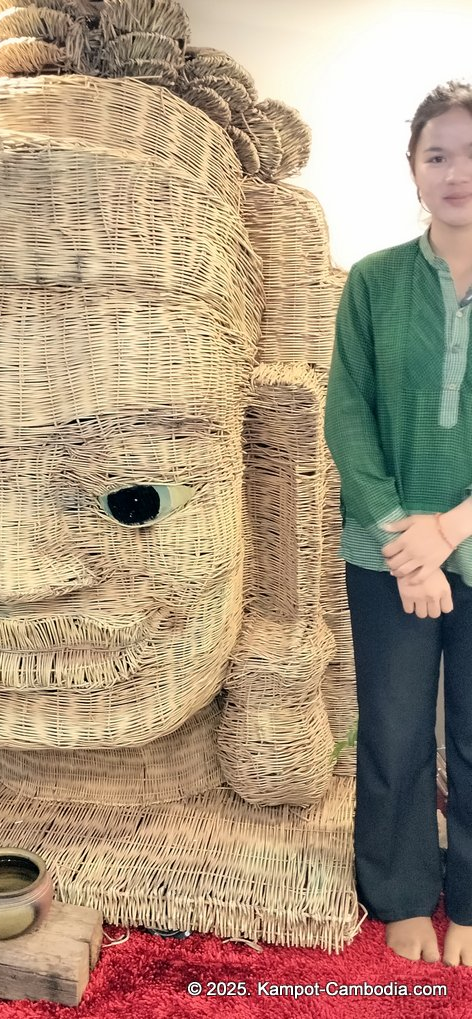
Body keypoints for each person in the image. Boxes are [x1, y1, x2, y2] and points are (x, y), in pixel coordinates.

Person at [325, 80, 472, 965]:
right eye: (438, 155)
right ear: (413, 174)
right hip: (385, 555)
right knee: (390, 726)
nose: (458, 173)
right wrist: (405, 542)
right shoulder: (374, 284)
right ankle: (403, 890)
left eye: (471, 154)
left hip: (459, 540)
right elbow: (348, 412)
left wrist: (449, 530)